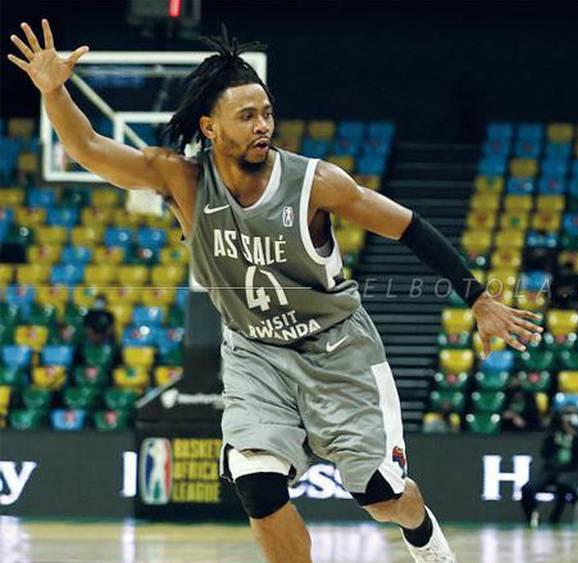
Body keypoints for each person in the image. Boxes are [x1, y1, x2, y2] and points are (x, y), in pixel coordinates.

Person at [8, 21, 544, 563]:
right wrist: (54, 91)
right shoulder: (183, 182)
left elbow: (408, 226)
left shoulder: (315, 183)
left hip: (338, 352)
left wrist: (477, 297)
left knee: (382, 498)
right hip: (255, 353)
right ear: (210, 128)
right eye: (247, 116)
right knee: (256, 484)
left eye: (266, 113)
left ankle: (423, 536)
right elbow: (90, 147)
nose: (263, 125)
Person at [519, 406, 578, 526]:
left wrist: (574, 435)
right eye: (566, 414)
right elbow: (544, 453)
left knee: (563, 485)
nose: (568, 417)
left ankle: (554, 519)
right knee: (527, 488)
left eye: (571, 414)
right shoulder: (554, 431)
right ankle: (532, 517)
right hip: (551, 470)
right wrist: (552, 432)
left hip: (572, 470)